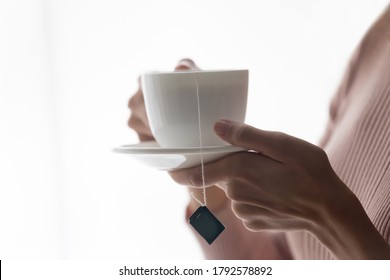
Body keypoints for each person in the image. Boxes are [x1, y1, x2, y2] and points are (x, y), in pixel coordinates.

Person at [128, 5, 390, 259]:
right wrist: (198, 162)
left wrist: (331, 217)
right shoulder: (381, 40)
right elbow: (277, 259)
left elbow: (323, 216)